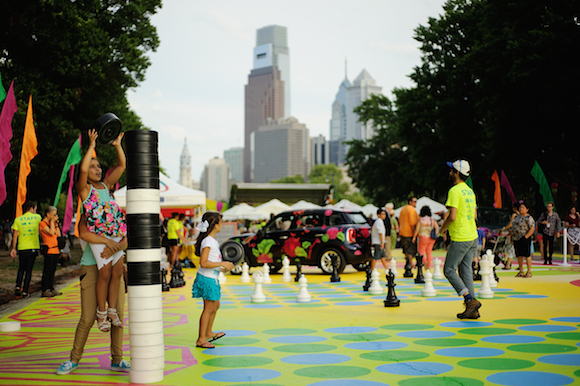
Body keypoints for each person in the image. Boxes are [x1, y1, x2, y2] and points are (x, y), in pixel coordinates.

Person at [56, 215, 130, 375]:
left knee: (118, 316)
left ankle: (117, 360)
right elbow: (84, 234)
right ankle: (73, 359)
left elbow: (127, 239)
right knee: (88, 317)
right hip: (91, 267)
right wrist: (109, 243)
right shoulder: (89, 212)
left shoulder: (115, 212)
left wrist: (114, 248)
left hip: (115, 269)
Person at [76, 128, 126, 332]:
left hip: (115, 234)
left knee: (116, 273)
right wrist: (91, 146)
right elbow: (82, 170)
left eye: (99, 167)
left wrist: (117, 146)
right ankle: (101, 313)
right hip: (99, 237)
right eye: (93, 166)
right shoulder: (85, 190)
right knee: (104, 274)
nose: (97, 169)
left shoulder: (106, 187)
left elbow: (122, 165)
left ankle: (112, 309)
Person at [439, 159, 481, 319]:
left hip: (460, 236)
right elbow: (475, 215)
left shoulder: (454, 191)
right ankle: (473, 309)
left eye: (451, 170)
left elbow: (453, 216)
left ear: (456, 173)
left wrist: (442, 229)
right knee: (466, 272)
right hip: (472, 236)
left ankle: (469, 299)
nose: (450, 172)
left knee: (449, 270)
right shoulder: (470, 191)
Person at [191, 212, 234, 349]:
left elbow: (212, 261)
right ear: (215, 225)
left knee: (215, 306)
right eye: (220, 222)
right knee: (208, 308)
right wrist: (222, 263)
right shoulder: (208, 241)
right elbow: (203, 263)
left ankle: (208, 332)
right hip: (207, 278)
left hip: (212, 277)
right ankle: (201, 339)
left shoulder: (211, 240)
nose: (221, 225)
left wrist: (223, 266)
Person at [10, 200, 42, 298]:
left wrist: (13, 248)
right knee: (28, 271)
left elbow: (14, 235)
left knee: (21, 268)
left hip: (22, 247)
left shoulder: (18, 219)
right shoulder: (38, 217)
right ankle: (25, 291)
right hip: (32, 247)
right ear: (32, 208)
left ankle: (18, 286)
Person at [39, 206, 63, 297]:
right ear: (48, 214)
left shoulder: (52, 223)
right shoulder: (43, 223)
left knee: (53, 271)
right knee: (47, 271)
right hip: (49, 250)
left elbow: (58, 235)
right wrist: (52, 222)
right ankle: (45, 289)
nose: (55, 216)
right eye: (53, 214)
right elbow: (51, 232)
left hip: (56, 250)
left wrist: (56, 224)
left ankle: (51, 288)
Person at [512, 202, 535, 278]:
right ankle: (521, 271)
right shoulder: (516, 217)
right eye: (520, 207)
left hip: (525, 238)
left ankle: (529, 272)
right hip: (516, 238)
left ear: (527, 209)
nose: (521, 209)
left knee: (527, 255)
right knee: (519, 255)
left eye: (523, 208)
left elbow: (532, 228)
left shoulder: (529, 218)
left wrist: (526, 237)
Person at [412, 205, 439, 270]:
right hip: (431, 238)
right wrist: (436, 234)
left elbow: (417, 229)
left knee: (421, 251)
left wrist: (414, 237)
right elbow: (437, 228)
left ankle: (425, 262)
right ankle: (429, 266)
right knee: (429, 252)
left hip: (423, 237)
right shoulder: (432, 220)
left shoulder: (420, 220)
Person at [399, 196, 419, 265]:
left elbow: (400, 220)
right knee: (410, 250)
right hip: (409, 233)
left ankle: (407, 263)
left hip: (402, 232)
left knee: (405, 250)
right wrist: (415, 234)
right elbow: (412, 223)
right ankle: (410, 264)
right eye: (414, 201)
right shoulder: (412, 209)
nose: (415, 203)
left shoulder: (403, 208)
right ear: (410, 202)